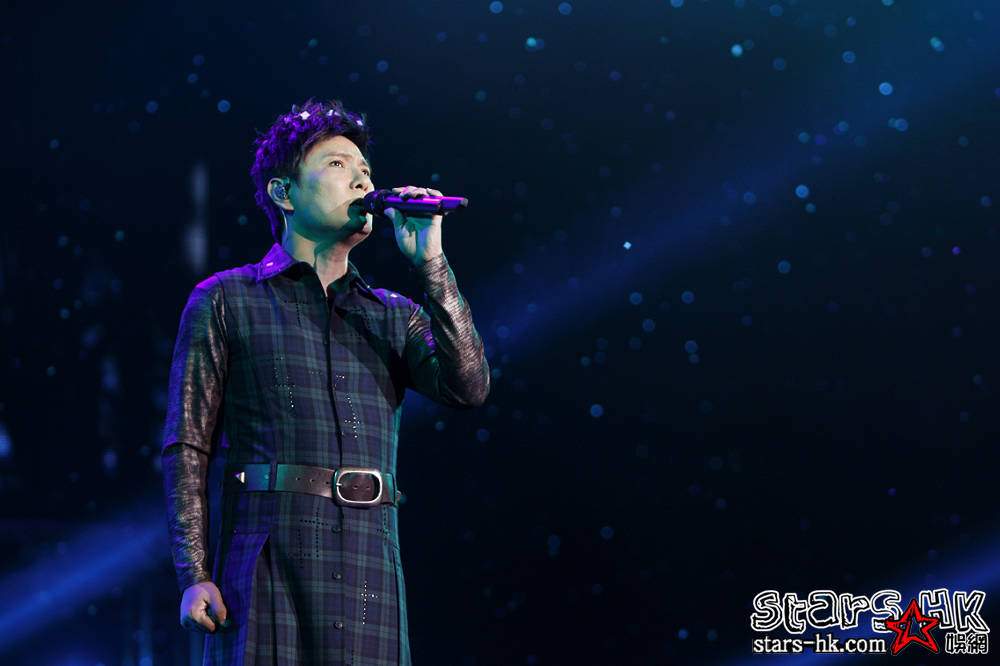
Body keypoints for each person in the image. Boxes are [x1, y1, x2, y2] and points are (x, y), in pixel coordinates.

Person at [160, 98, 490, 665]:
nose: (362, 180)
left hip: (368, 562)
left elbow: (469, 388)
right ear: (283, 193)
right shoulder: (226, 299)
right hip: (266, 559)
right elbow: (187, 444)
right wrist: (194, 572)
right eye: (338, 164)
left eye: (365, 169)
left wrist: (432, 264)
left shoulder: (394, 314)